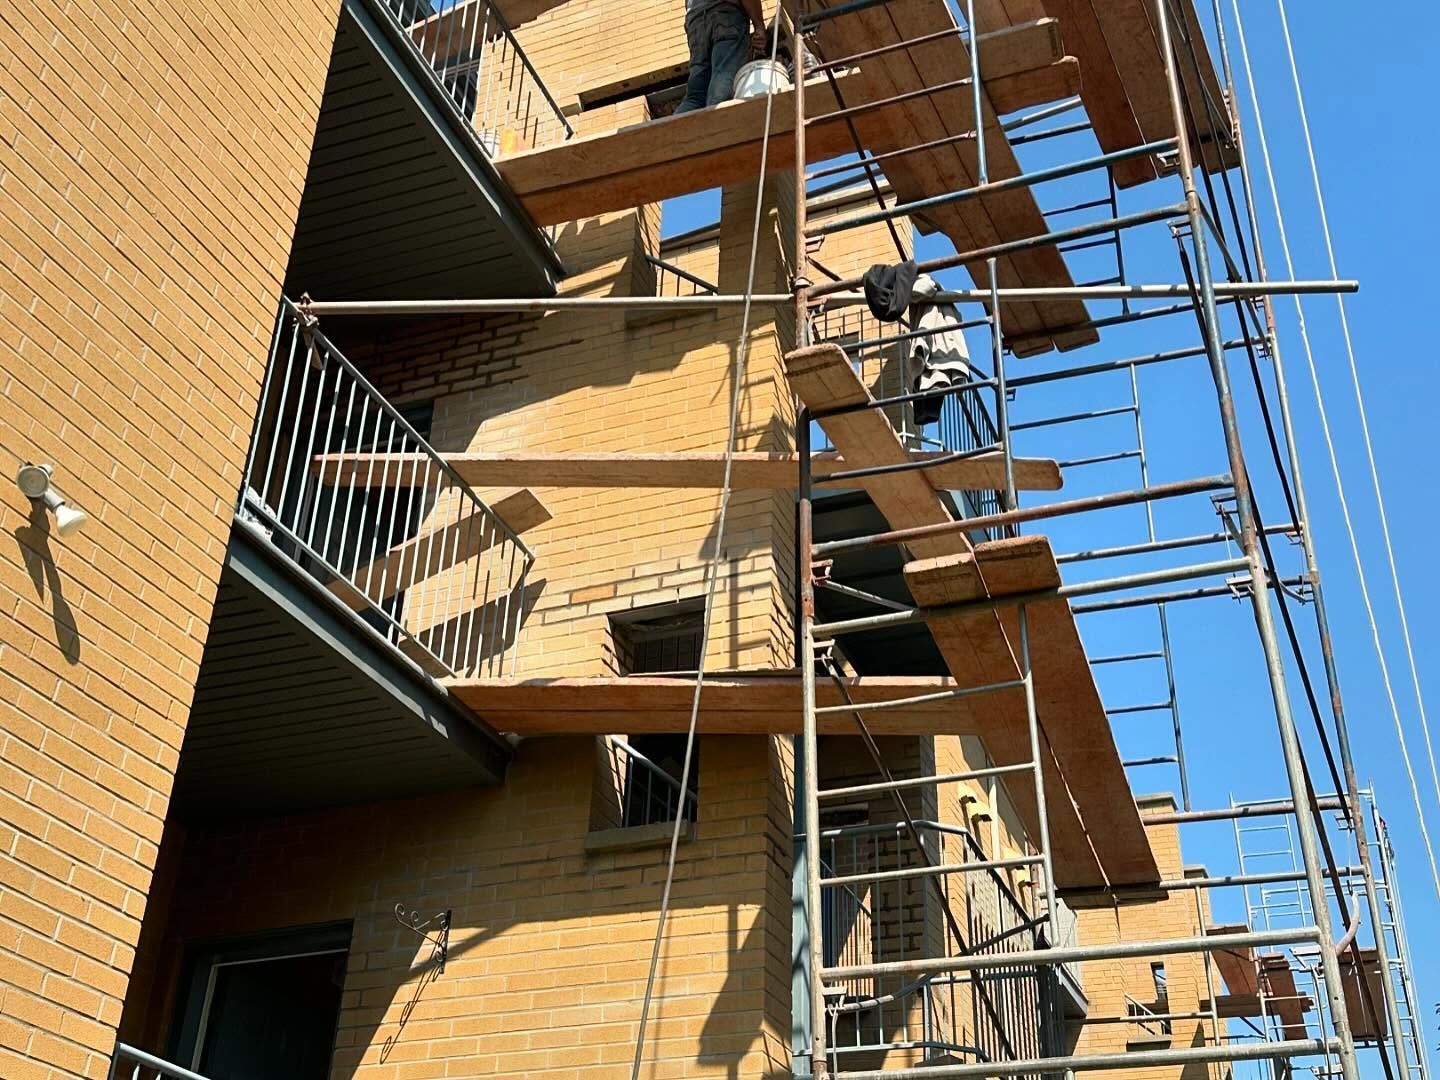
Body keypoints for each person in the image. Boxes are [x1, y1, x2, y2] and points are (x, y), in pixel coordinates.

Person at [675, 0, 768, 114]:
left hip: (695, 23)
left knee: (695, 97)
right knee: (722, 84)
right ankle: (716, 122)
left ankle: (674, 125)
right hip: (725, 15)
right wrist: (759, 25)